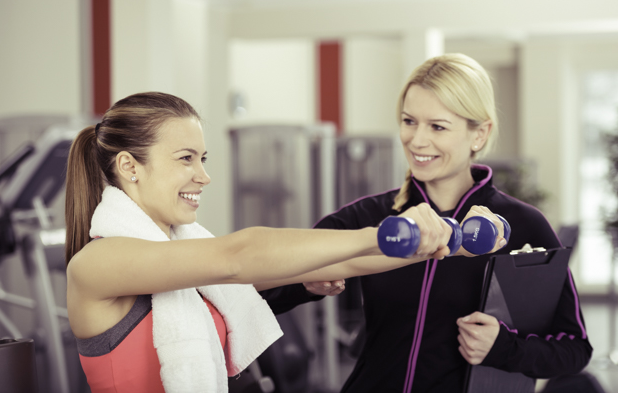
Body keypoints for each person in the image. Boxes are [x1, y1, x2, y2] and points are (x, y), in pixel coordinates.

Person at [65, 91, 504, 393]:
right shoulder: (99, 261)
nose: (204, 175)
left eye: (203, 158)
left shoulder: (183, 255)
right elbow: (238, 257)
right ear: (129, 166)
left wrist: (442, 245)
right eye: (186, 159)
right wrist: (377, 233)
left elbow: (337, 267)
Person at [261, 53, 593, 392]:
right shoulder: (370, 217)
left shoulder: (523, 225)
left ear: (479, 134)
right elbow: (264, 291)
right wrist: (307, 283)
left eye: (437, 126)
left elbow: (575, 349)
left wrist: (504, 348)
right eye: (409, 121)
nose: (417, 140)